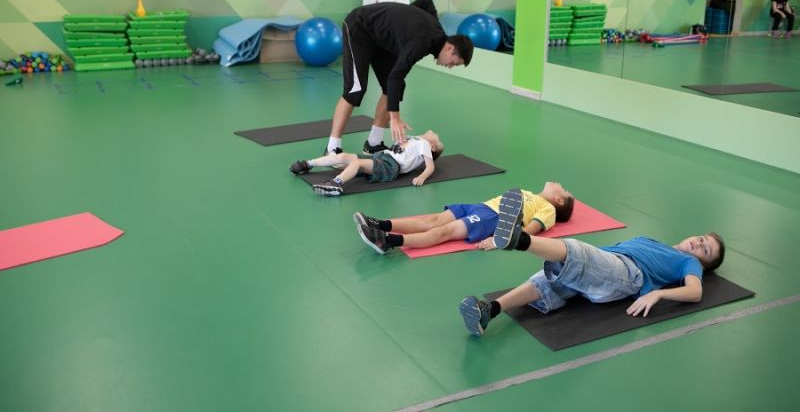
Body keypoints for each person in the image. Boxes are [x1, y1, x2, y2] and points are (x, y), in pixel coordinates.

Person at [457, 191, 726, 337]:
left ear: (704, 263)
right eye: (701, 239)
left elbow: (695, 291)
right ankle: (489, 310)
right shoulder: (657, 242)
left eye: (706, 250)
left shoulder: (689, 263)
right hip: (606, 266)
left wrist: (658, 294)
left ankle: (519, 239)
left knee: (576, 252)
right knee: (546, 280)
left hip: (627, 273)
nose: (699, 244)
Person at [325, 0, 473, 158]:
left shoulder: (435, 31)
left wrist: (401, 20)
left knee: (397, 88)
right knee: (355, 90)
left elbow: (426, 0)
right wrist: (395, 118)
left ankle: (373, 144)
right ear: (450, 48)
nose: (450, 66)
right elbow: (394, 77)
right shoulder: (422, 41)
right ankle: (332, 148)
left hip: (379, 38)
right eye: (454, 63)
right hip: (360, 27)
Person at [354, 185, 574, 254]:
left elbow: (531, 229)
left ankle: (387, 240)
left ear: (559, 200)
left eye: (563, 189)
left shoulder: (549, 209)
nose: (559, 184)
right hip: (480, 206)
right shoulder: (531, 193)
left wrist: (499, 239)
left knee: (444, 232)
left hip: (492, 217)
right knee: (432, 219)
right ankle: (379, 224)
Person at [290, 130, 444, 197]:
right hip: (382, 156)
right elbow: (399, 148)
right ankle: (308, 164)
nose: (436, 134)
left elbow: (430, 167)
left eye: (438, 139)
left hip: (390, 166)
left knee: (356, 163)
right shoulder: (415, 139)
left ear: (433, 147)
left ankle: (336, 184)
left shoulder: (424, 144)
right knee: (343, 156)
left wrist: (422, 177)